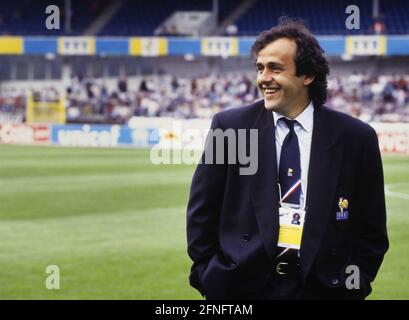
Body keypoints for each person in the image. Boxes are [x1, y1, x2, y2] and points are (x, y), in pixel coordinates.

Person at [186, 18, 389, 300]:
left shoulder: (357, 137)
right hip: (242, 291)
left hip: (322, 292)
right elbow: (201, 213)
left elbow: (371, 229)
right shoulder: (230, 127)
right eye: (260, 68)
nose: (263, 78)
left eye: (275, 68)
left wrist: (353, 285)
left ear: (308, 76)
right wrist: (210, 278)